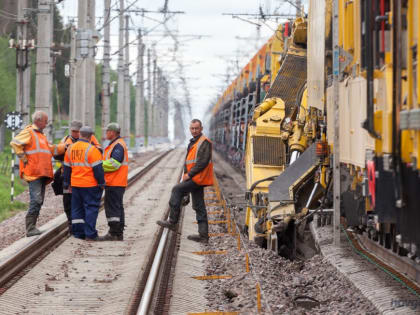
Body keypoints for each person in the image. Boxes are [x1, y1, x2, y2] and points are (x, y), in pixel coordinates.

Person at [157, 119, 214, 243]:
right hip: (195, 178)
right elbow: (188, 162)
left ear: (201, 129)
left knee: (176, 190)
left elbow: (202, 162)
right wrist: (186, 174)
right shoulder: (193, 142)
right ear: (190, 129)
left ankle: (172, 221)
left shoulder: (205, 142)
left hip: (198, 177)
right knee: (199, 206)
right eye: (192, 128)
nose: (194, 131)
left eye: (196, 128)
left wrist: (189, 174)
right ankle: (203, 236)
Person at [10, 110, 65, 237]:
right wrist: (23, 158)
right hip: (34, 173)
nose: (46, 124)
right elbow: (14, 143)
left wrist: (65, 146)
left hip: (42, 173)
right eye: (46, 121)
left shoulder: (41, 136)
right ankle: (30, 229)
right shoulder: (29, 132)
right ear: (39, 121)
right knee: (36, 200)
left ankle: (33, 227)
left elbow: (52, 149)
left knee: (39, 201)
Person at [56, 120, 102, 230]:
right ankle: (72, 225)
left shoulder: (91, 139)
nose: (74, 133)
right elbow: (56, 154)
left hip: (84, 177)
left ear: (81, 132)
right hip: (68, 175)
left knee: (82, 204)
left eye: (77, 131)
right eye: (73, 131)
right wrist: (64, 149)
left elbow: (99, 151)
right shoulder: (65, 140)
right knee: (68, 202)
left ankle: (82, 227)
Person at [98, 122, 128, 241]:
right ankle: (118, 232)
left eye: (107, 131)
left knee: (112, 207)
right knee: (117, 206)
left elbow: (114, 164)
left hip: (115, 182)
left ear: (112, 132)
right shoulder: (115, 144)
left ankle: (114, 233)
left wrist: (98, 166)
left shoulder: (118, 145)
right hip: (116, 181)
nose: (106, 133)